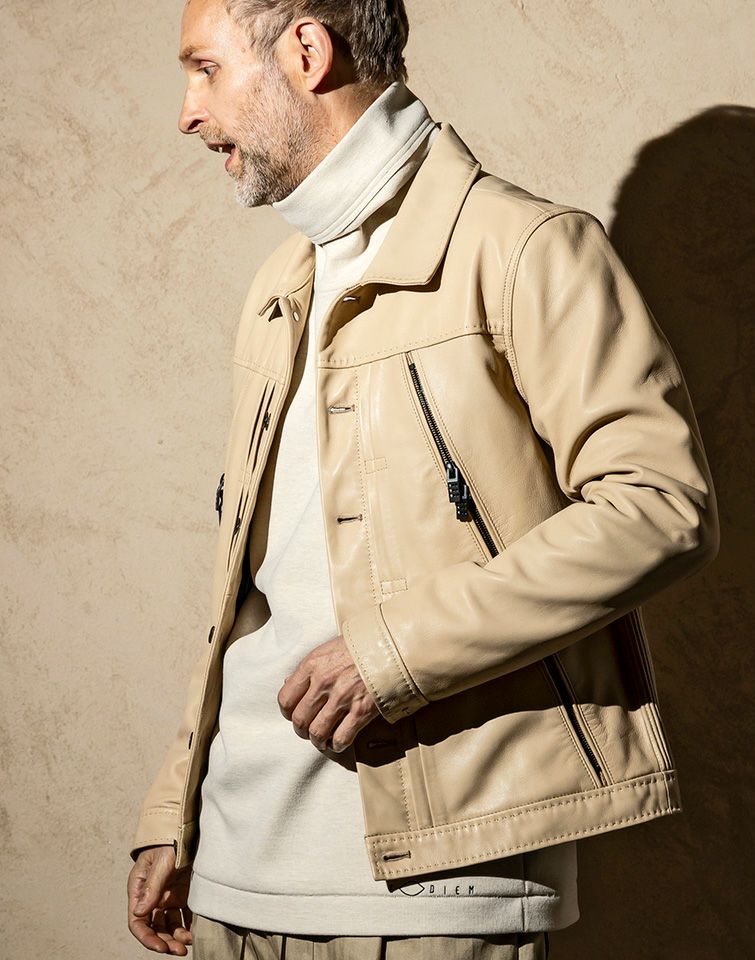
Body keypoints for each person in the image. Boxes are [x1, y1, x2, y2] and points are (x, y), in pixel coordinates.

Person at [126, 1, 720, 957]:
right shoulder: (280, 285)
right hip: (234, 879)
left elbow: (659, 506)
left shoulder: (525, 247)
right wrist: (177, 806)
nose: (188, 113)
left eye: (205, 68)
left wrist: (397, 654)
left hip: (436, 894)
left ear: (306, 51)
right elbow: (254, 588)